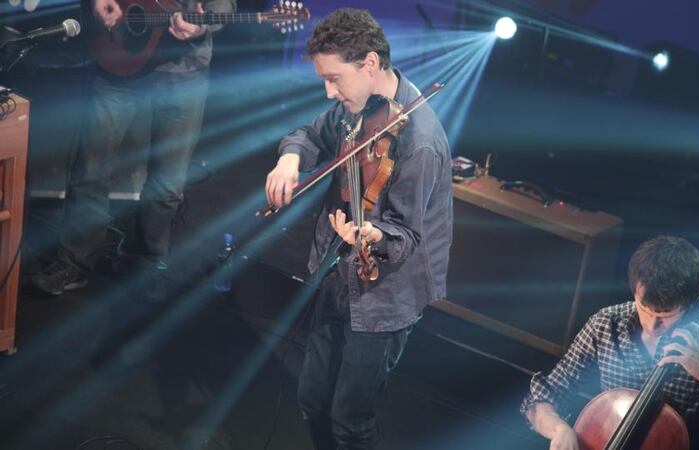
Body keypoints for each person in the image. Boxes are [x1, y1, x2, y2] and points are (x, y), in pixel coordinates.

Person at [264, 8, 452, 449]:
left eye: (335, 79)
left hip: (384, 293)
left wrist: (375, 237)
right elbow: (310, 134)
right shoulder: (355, 109)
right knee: (311, 399)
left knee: (351, 420)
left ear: (370, 64)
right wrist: (291, 157)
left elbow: (407, 235)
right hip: (337, 270)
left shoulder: (420, 142)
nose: (329, 92)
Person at [30, 0, 235, 299]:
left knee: (167, 182)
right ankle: (73, 263)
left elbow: (224, 5)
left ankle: (145, 263)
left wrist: (203, 24)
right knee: (90, 169)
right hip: (118, 55)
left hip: (184, 71)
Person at [522, 235, 699, 450]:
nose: (651, 325)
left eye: (665, 316)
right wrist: (559, 429)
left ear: (688, 304)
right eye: (643, 308)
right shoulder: (605, 324)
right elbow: (542, 399)